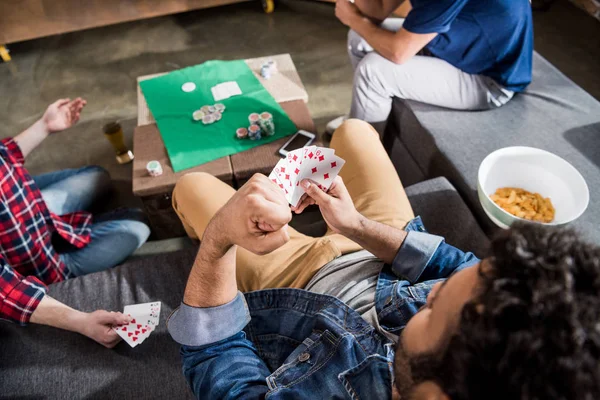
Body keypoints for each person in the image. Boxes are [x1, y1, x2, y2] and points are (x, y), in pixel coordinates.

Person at [167, 120, 599, 398]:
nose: (435, 292)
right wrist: (354, 225)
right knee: (354, 131)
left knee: (189, 186)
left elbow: (216, 365)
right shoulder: (512, 323)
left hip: (292, 286)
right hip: (377, 251)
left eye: (431, 309)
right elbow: (451, 264)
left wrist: (219, 242)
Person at [0, 98, 150, 347]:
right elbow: (7, 291)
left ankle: (68, 220)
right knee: (138, 224)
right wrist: (80, 321)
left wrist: (45, 126)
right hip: (45, 264)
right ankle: (81, 227)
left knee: (98, 176)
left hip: (34, 209)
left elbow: (5, 155)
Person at [327, 0, 533, 134]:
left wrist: (353, 18)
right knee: (359, 38)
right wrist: (357, 16)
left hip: (490, 78)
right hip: (456, 43)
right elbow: (377, 10)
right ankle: (364, 118)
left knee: (372, 72)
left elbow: (399, 52)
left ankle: (360, 160)